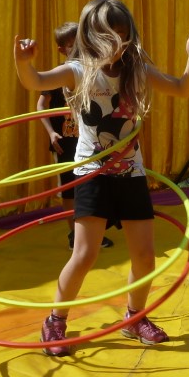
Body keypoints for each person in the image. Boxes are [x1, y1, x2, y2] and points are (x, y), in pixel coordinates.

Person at [14, 0, 189, 355]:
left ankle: (134, 317)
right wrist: (23, 62)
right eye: (109, 35)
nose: (118, 43)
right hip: (92, 174)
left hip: (131, 173)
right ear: (91, 37)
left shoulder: (137, 71)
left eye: (123, 34)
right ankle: (54, 321)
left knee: (145, 255)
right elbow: (35, 81)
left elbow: (182, 89)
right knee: (84, 254)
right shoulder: (77, 71)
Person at [37, 21, 113, 250]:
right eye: (71, 45)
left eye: (80, 43)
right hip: (65, 143)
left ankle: (94, 232)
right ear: (62, 50)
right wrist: (51, 133)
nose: (77, 48)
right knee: (70, 189)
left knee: (92, 185)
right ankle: (74, 234)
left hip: (89, 140)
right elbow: (41, 105)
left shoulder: (92, 72)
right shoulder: (59, 74)